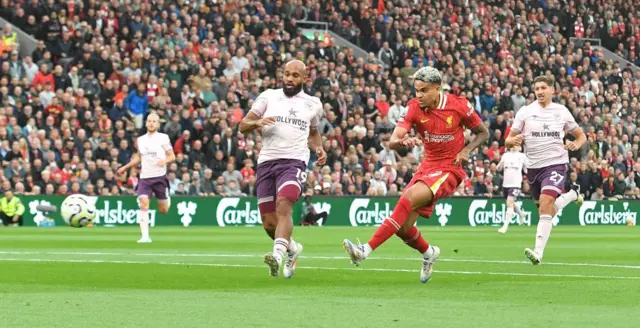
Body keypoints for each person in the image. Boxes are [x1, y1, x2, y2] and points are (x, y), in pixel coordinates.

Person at [342, 67, 489, 283]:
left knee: (408, 199)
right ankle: (429, 253)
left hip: (449, 168)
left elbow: (483, 133)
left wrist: (467, 150)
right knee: (403, 228)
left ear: (437, 89)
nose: (418, 95)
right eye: (416, 90)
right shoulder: (413, 108)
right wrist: (401, 142)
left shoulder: (459, 105)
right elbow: (392, 141)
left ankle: (365, 250)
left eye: (424, 90)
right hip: (427, 167)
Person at [239, 60, 327, 278]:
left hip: (294, 161)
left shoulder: (313, 103)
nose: (289, 78)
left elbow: (313, 131)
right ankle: (292, 249)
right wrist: (256, 123)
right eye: (287, 74)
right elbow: (243, 125)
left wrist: (319, 148)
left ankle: (277, 256)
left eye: (295, 75)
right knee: (269, 223)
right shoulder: (268, 96)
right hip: (267, 162)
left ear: (304, 78)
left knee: (284, 203)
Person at [505, 75, 586, 265]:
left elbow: (581, 136)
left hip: (556, 164)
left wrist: (576, 143)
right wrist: (512, 141)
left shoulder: (561, 111)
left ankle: (538, 253)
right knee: (545, 210)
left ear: (552, 90)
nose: (539, 92)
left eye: (543, 88)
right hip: (533, 168)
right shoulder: (525, 112)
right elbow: (508, 138)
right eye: (537, 88)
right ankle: (572, 194)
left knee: (546, 202)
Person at [117, 113, 175, 243]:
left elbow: (172, 156)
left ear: (158, 124)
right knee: (143, 203)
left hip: (159, 177)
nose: (151, 123)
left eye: (154, 121)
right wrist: (125, 167)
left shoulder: (163, 138)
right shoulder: (141, 139)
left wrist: (164, 161)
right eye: (149, 121)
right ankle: (145, 236)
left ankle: (166, 199)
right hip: (145, 178)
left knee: (163, 210)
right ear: (146, 123)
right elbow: (139, 157)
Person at [496, 146, 528, 234]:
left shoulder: (522, 156)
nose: (514, 146)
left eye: (516, 144)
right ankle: (521, 214)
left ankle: (505, 226)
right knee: (510, 202)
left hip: (516, 184)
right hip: (506, 184)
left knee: (509, 203)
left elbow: (527, 170)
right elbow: (499, 167)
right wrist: (498, 166)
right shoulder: (505, 155)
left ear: (519, 146)